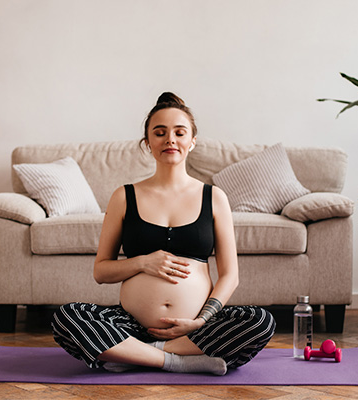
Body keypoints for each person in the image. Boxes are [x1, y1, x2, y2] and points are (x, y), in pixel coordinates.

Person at [51, 92, 275, 375]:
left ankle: (133, 354)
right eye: (160, 132)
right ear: (148, 143)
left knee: (260, 321)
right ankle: (177, 362)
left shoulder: (214, 197)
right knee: (67, 317)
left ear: (192, 141)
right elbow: (101, 271)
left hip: (194, 325)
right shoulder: (124, 196)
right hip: (131, 324)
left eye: (179, 132)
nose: (170, 139)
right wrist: (143, 262)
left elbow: (230, 275)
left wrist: (201, 320)